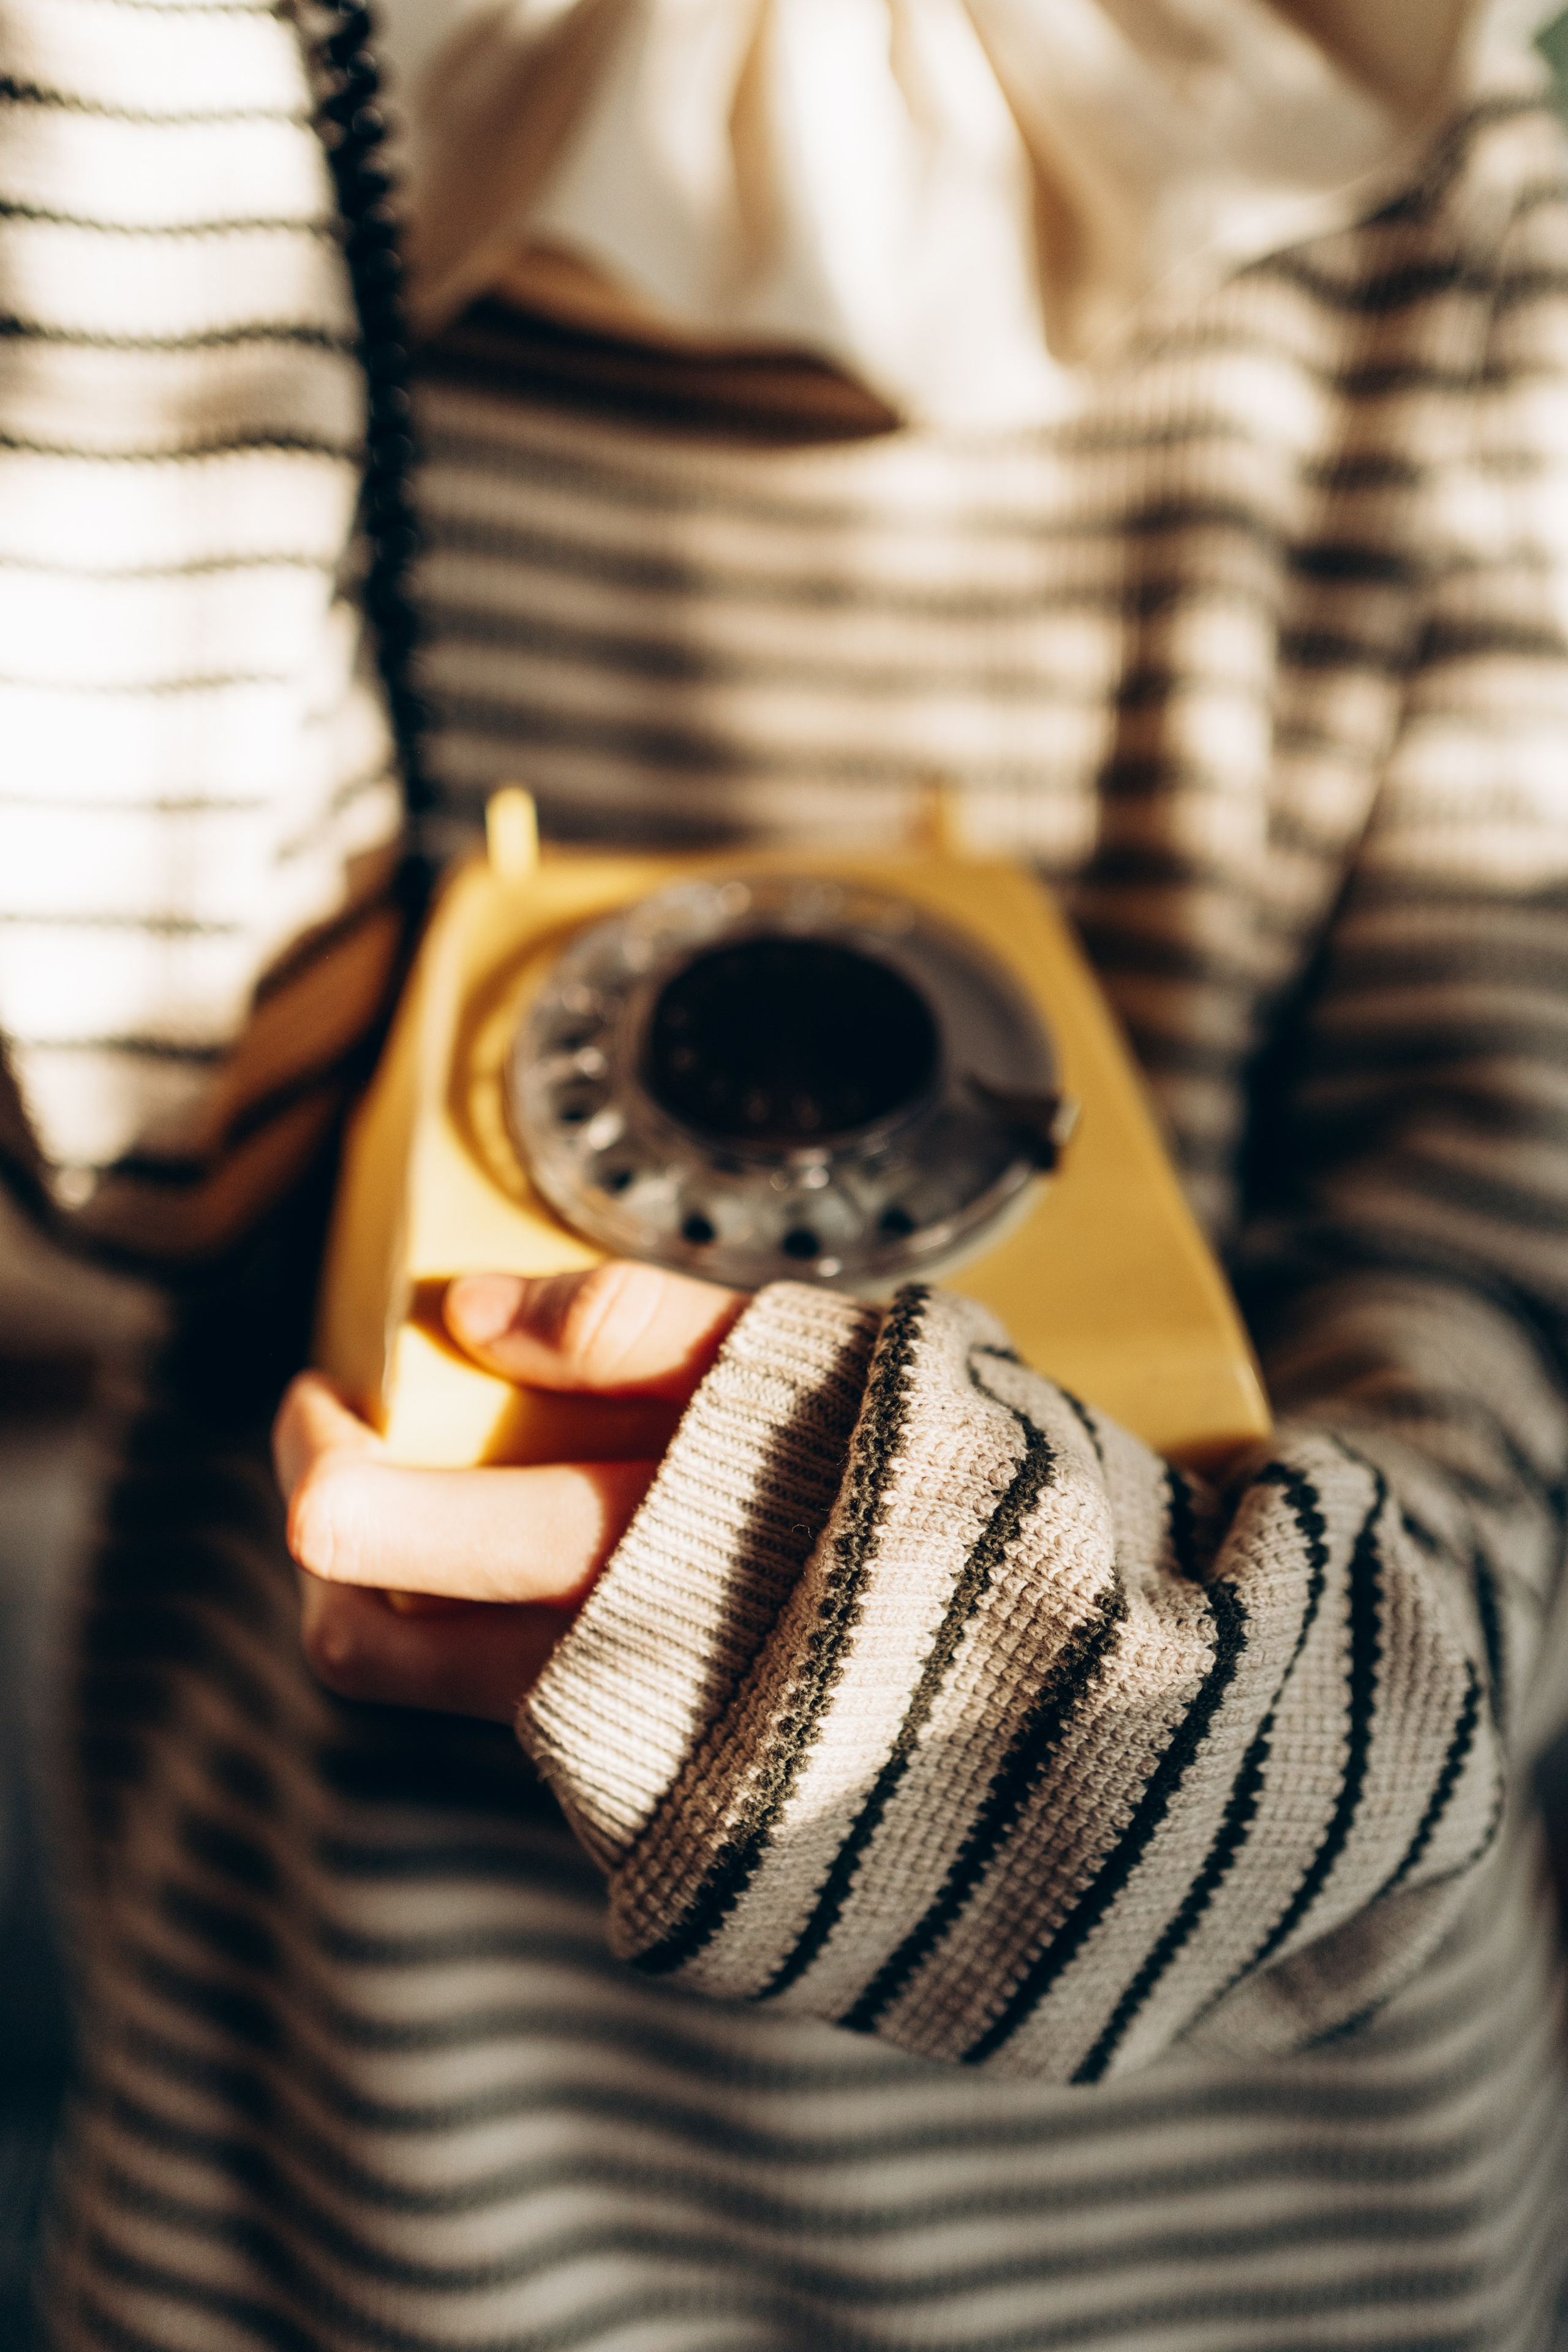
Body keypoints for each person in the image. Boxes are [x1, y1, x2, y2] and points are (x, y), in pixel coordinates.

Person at [5, 0, 1568, 2343]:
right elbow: (152, 1137)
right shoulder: (225, 101)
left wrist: (1073, 1702)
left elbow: (1510, 1290)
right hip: (373, 2176)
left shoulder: (1440, 174)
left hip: (1249, 2232)